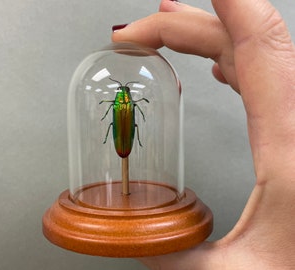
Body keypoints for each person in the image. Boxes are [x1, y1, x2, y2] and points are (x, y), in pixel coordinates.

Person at [112, 0, 295, 269]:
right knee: (123, 127)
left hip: (124, 137)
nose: (124, 95)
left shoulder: (122, 102)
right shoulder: (123, 103)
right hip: (121, 135)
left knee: (128, 128)